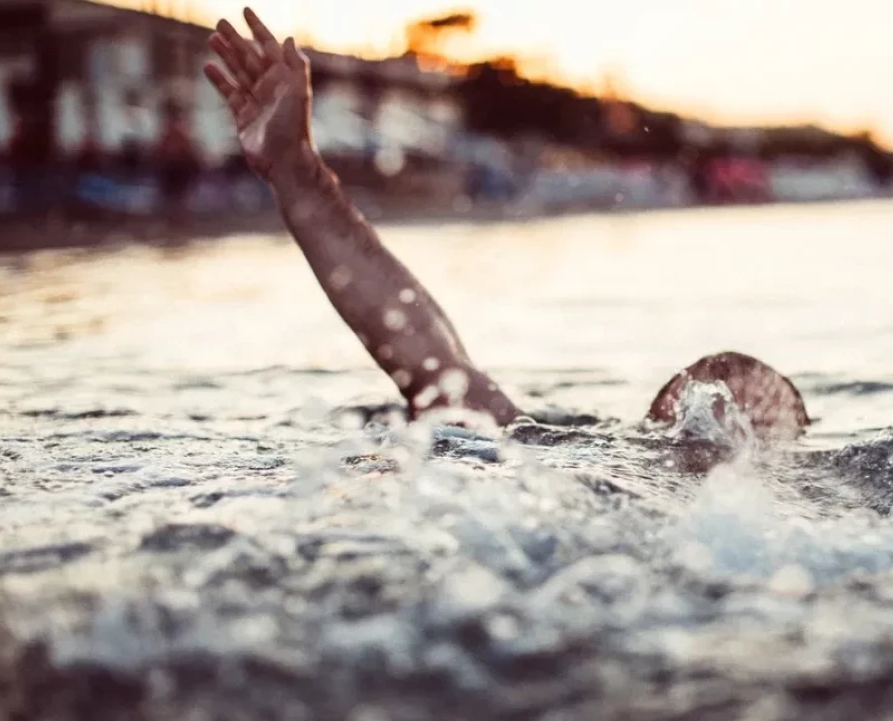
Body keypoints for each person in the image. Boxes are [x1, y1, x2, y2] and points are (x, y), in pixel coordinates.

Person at [204, 9, 809, 444]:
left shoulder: (565, 464)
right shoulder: (594, 466)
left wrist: (297, 172)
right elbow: (431, 361)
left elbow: (428, 362)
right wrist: (296, 169)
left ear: (661, 418)